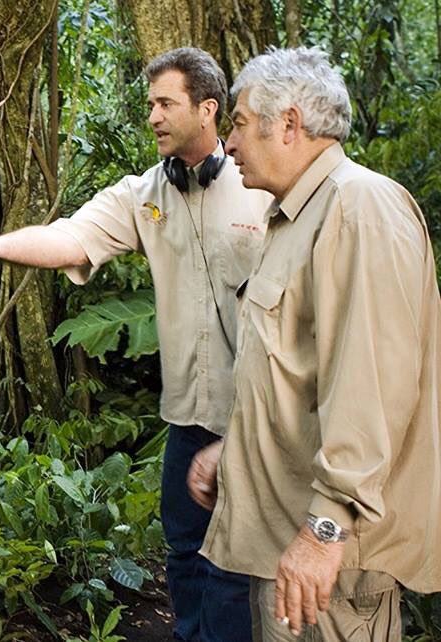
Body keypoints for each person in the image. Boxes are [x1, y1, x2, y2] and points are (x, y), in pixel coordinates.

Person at [0, 48, 272, 642]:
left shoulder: (261, 185)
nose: (153, 116)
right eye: (150, 105)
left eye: (166, 103)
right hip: (188, 416)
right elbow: (71, 238)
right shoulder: (145, 193)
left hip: (257, 416)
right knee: (185, 554)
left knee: (237, 566)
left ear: (208, 109)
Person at [189, 46, 441, 641]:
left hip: (331, 562)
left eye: (239, 123)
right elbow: (298, 373)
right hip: (289, 545)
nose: (230, 143)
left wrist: (325, 530)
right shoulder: (298, 215)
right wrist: (235, 452)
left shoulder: (359, 208)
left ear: (290, 123)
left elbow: (373, 388)